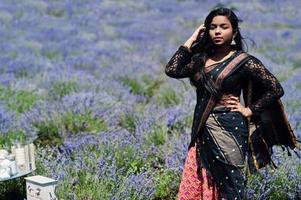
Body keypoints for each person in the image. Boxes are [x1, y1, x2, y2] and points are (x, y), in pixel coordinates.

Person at [165, 7, 298, 200]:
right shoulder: (201, 60)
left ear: (234, 32)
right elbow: (172, 69)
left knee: (232, 186)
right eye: (212, 27)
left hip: (230, 128)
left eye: (223, 27)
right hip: (203, 129)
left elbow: (275, 88)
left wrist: (249, 110)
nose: (217, 31)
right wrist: (193, 37)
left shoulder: (244, 62)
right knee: (201, 178)